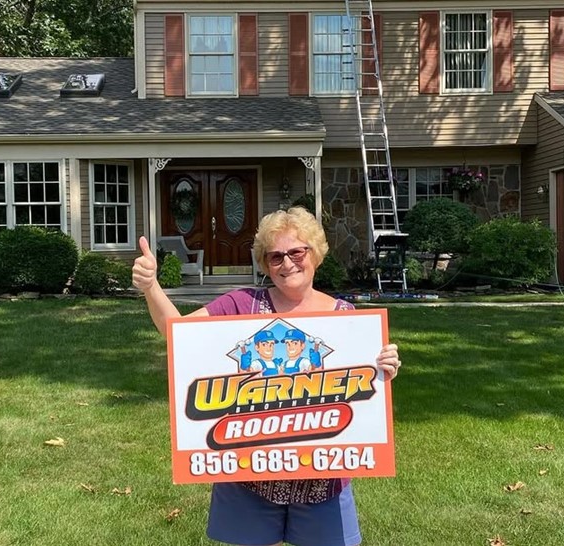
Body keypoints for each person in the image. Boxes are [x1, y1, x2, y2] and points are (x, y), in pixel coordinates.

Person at [132, 206, 402, 546]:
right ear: (264, 263)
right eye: (275, 257)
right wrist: (151, 287)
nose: (287, 263)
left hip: (324, 480)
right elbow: (178, 335)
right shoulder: (241, 305)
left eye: (296, 252)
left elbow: (364, 390)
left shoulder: (346, 319)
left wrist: (383, 369)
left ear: (315, 254)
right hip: (249, 478)